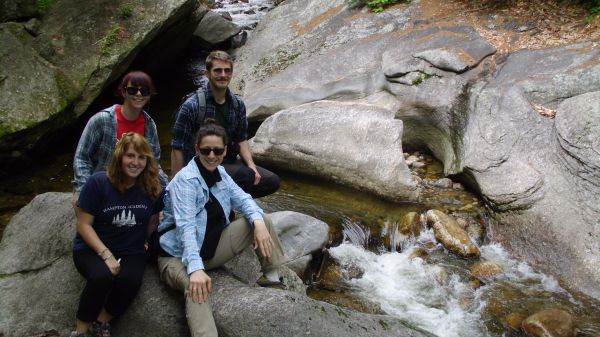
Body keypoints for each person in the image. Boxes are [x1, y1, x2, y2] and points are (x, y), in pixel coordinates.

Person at [158, 119, 288, 337]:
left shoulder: (220, 173)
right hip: (177, 256)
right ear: (196, 148)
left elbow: (244, 200)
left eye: (217, 150)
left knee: (261, 220)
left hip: (210, 247)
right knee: (196, 288)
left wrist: (257, 222)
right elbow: (185, 229)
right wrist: (196, 270)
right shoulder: (186, 181)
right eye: (206, 150)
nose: (211, 155)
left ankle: (272, 278)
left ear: (225, 150)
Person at [70, 133, 164, 337]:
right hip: (92, 248)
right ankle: (80, 331)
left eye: (141, 158)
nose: (135, 162)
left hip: (131, 249)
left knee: (130, 280)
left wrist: (148, 240)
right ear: (120, 157)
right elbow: (83, 224)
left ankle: (101, 320)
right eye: (130, 156)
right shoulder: (99, 183)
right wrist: (106, 255)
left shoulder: (151, 186)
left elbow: (154, 218)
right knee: (101, 277)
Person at [171, 50, 279, 198]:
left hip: (227, 160)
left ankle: (222, 201)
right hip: (200, 164)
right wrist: (176, 187)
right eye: (217, 71)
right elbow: (178, 147)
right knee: (246, 176)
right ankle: (210, 200)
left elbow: (241, 139)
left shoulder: (237, 104)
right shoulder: (192, 106)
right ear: (207, 73)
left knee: (270, 181)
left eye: (227, 71)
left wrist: (252, 165)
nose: (223, 75)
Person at [73, 70, 168, 206]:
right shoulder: (102, 120)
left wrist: (169, 189)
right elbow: (82, 158)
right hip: (102, 186)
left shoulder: (149, 125)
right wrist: (84, 191)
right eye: (132, 90)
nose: (138, 94)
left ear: (149, 96)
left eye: (144, 91)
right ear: (123, 92)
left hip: (134, 187)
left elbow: (153, 162)